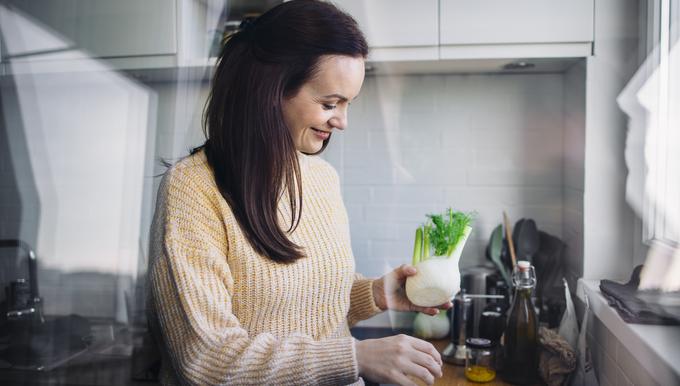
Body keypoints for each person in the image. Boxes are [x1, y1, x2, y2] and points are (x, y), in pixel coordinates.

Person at [147, 1, 451, 385]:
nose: (342, 121)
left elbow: (310, 308)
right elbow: (208, 360)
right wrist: (354, 356)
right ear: (272, 91)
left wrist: (375, 293)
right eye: (330, 103)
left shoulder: (322, 177)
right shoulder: (192, 189)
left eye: (347, 104)